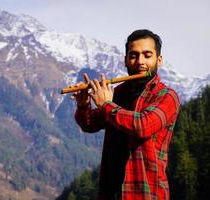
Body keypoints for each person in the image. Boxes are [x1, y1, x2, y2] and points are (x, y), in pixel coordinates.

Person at [74, 29, 180, 200]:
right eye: (133, 55)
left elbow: (142, 126)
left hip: (146, 193)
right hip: (111, 192)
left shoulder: (167, 96)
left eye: (147, 55)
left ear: (158, 60)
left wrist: (106, 104)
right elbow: (90, 124)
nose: (140, 62)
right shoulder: (118, 93)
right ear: (125, 60)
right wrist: (83, 104)